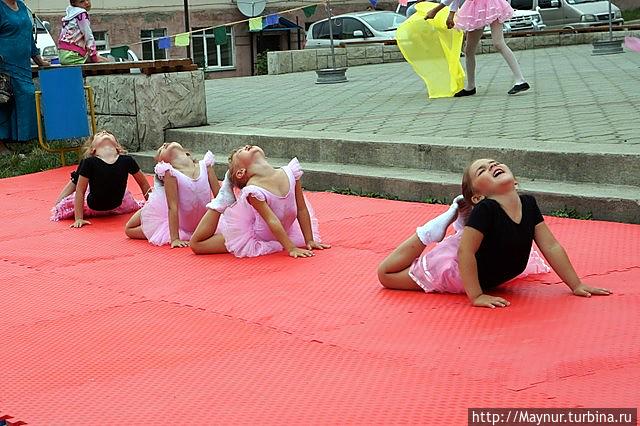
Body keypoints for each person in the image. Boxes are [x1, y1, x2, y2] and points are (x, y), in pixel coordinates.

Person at [378, 159, 612, 308]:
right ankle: (430, 231)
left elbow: (550, 246)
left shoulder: (528, 204)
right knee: (386, 274)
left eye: (494, 164)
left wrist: (576, 284)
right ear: (477, 197)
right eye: (483, 170)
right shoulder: (486, 209)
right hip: (459, 271)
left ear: (516, 181)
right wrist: (476, 296)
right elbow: (465, 252)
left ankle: (452, 220)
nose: (492, 167)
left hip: (494, 268)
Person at [190, 145, 330, 258]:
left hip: (283, 231)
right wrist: (291, 248)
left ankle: (225, 194)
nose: (246, 146)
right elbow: (271, 220)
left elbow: (301, 209)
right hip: (255, 236)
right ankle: (223, 198)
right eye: (240, 151)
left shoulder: (291, 172)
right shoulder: (254, 190)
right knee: (196, 244)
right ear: (240, 172)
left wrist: (309, 240)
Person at [124, 143, 220, 248]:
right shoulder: (170, 173)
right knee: (130, 229)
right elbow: (172, 206)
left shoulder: (205, 165)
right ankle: (151, 207)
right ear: (163, 162)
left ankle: (153, 206)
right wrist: (175, 238)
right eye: (160, 150)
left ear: (186, 152)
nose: (164, 144)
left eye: (168, 143)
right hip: (180, 225)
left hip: (203, 224)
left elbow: (220, 197)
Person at [425, 0, 530, 96]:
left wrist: (436, 10)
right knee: (469, 50)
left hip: (491, 4)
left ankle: (520, 80)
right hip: (475, 7)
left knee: (498, 43)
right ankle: (470, 86)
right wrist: (450, 14)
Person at [51, 130, 150, 227]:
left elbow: (143, 183)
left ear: (117, 147)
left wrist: (152, 205)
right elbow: (80, 191)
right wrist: (79, 218)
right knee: (65, 201)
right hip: (92, 205)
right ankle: (59, 201)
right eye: (99, 134)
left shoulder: (127, 160)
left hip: (118, 204)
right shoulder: (89, 162)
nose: (104, 133)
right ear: (93, 149)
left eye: (109, 134)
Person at [0, 0, 50, 155]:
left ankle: (23, 141)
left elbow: (28, 35)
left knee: (27, 98)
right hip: (4, 66)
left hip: (23, 67)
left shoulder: (21, 6)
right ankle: (1, 145)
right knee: (3, 103)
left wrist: (39, 61)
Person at [58, 0, 108, 65]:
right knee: (106, 62)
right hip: (72, 54)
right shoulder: (81, 14)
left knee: (102, 60)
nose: (86, 3)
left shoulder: (70, 16)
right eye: (82, 1)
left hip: (63, 54)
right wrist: (93, 55)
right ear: (73, 3)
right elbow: (88, 35)